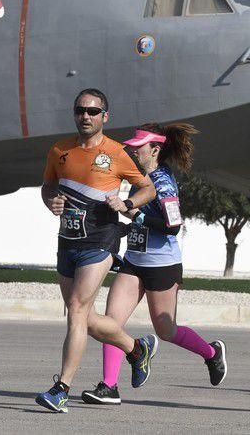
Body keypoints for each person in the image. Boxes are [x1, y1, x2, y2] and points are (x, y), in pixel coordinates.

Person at [81, 122, 228, 405]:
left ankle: (211, 353)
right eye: (132, 147)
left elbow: (173, 226)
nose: (133, 151)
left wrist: (133, 214)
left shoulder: (163, 182)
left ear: (155, 150)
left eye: (139, 148)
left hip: (163, 265)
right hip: (135, 262)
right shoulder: (137, 178)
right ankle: (109, 386)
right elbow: (135, 216)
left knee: (166, 330)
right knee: (111, 322)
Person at [36, 88, 159, 413]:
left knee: (76, 309)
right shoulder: (59, 150)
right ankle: (136, 350)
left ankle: (61, 388)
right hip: (68, 242)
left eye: (93, 111)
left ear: (105, 116)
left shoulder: (116, 153)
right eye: (81, 110)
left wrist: (127, 203)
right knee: (85, 319)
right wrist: (52, 200)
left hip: (101, 241)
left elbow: (148, 187)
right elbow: (48, 185)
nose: (85, 116)